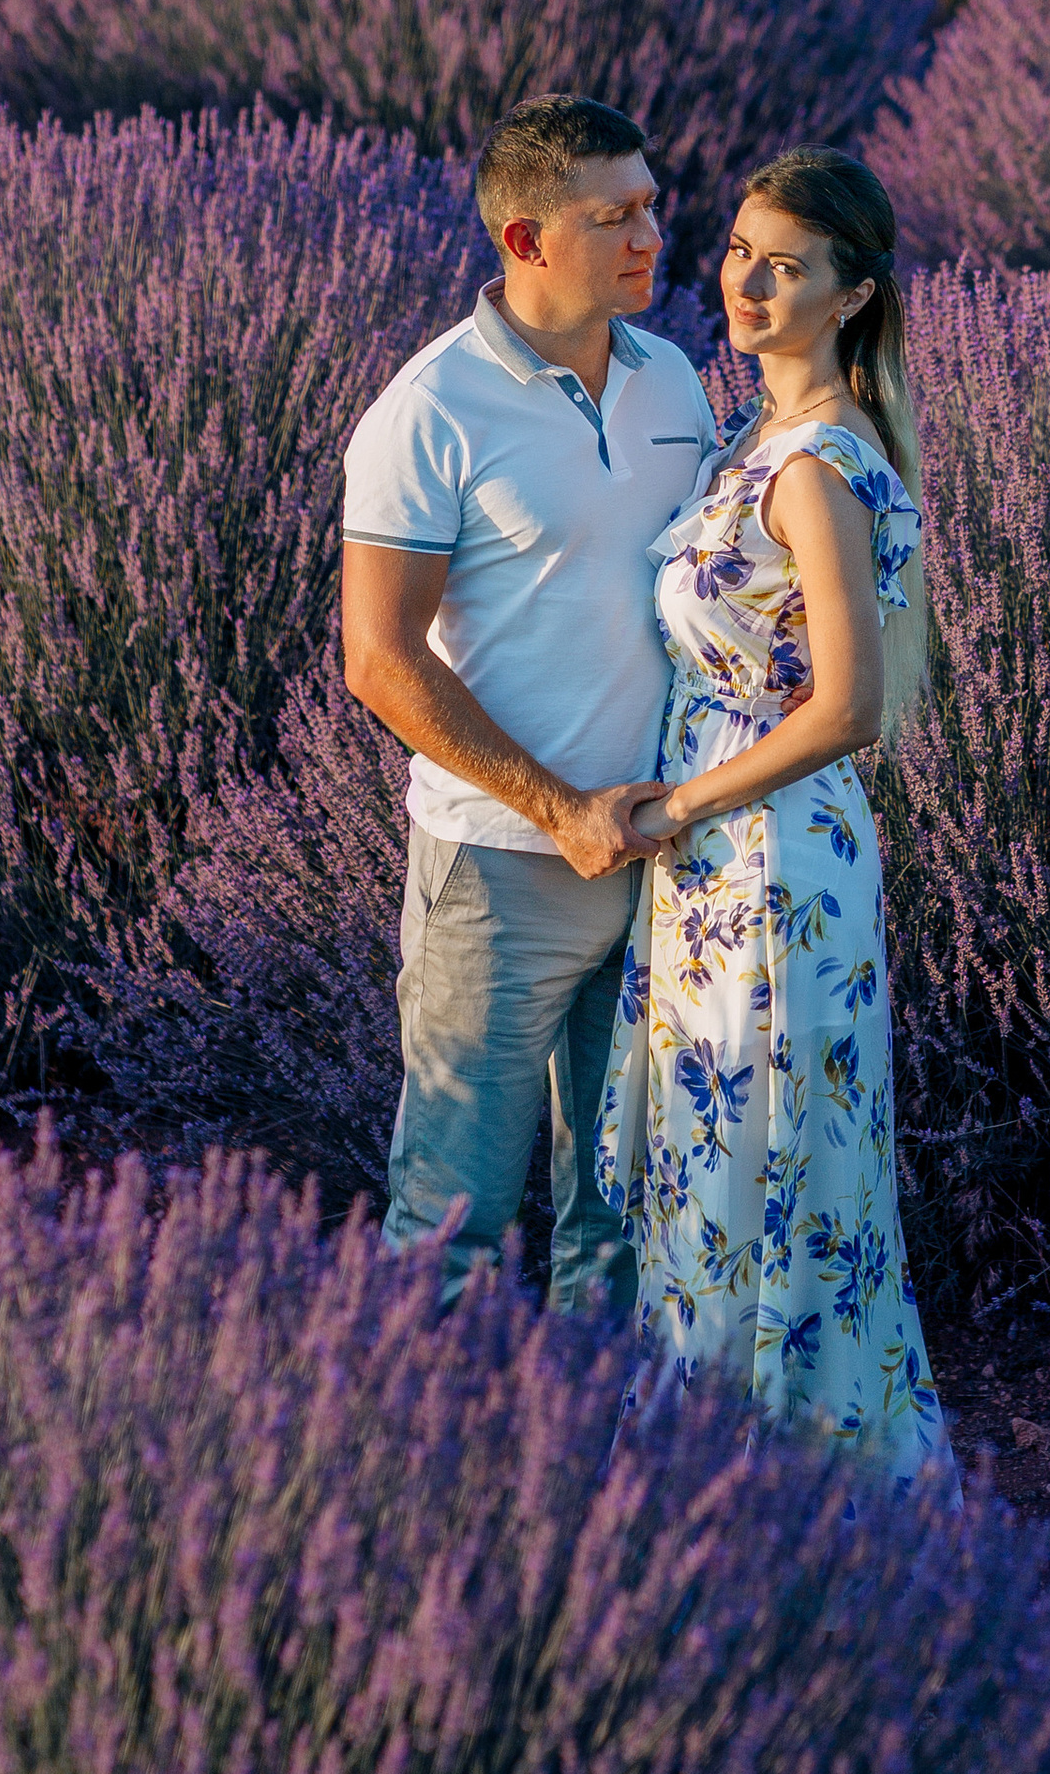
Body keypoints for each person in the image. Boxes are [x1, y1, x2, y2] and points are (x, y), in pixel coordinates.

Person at [596, 147, 952, 1492]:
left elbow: (850, 707)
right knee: (723, 1158)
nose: (746, 282)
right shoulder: (750, 435)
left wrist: (679, 803)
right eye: (742, 250)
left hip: (767, 861)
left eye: (785, 267)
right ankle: (731, 1481)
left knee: (761, 1159)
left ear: (849, 296)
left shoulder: (811, 465)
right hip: (724, 859)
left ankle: (784, 1495)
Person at [339, 95, 715, 1312]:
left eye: (650, 205)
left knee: (626, 1214)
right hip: (498, 874)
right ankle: (421, 1437)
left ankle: (599, 1435)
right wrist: (561, 809)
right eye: (614, 217)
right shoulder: (429, 410)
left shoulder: (673, 381)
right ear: (525, 240)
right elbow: (378, 659)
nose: (651, 235)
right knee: (452, 1221)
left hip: (661, 855)